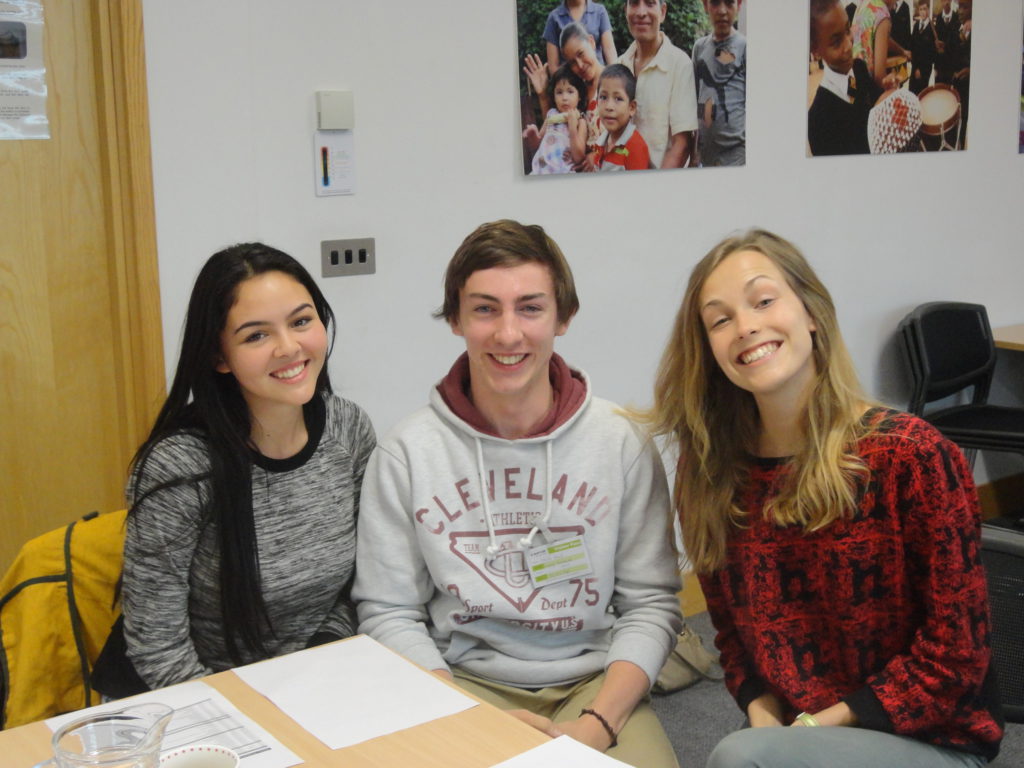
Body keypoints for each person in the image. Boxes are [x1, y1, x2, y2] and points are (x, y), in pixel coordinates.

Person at [640, 228, 1004, 767]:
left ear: (811, 313)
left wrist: (809, 728)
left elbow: (955, 657)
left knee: (738, 759)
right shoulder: (711, 472)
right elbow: (733, 639)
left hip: (930, 738)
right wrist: (762, 713)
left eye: (764, 300)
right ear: (709, 349)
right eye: (720, 319)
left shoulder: (911, 456)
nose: (746, 326)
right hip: (793, 736)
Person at [352, 220, 682, 768]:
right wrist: (463, 716)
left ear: (563, 317)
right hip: (460, 683)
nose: (508, 334)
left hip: (595, 684)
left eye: (530, 307)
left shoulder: (620, 442)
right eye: (485, 309)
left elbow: (651, 604)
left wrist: (600, 725)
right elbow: (388, 611)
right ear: (455, 319)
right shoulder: (407, 453)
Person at [121, 243, 376, 690]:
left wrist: (318, 670)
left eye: (301, 321)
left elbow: (362, 582)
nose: (289, 347)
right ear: (219, 357)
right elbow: (158, 648)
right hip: (195, 697)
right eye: (256, 336)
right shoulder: (181, 465)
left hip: (320, 681)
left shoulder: (348, 428)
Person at [617, 0, 698, 168]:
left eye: (649, 3)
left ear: (662, 11)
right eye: (634, 4)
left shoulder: (679, 64)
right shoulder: (619, 67)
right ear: (626, 11)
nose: (641, 12)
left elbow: (681, 145)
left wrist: (655, 187)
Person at [524, 22, 606, 170]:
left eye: (581, 53)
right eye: (572, 62)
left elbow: (625, 135)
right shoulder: (577, 89)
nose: (580, 65)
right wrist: (543, 94)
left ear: (591, 42)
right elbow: (554, 129)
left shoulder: (613, 83)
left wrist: (597, 154)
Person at [808, 0, 882, 156]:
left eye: (848, 30)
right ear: (816, 50)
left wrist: (886, 90)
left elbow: (876, 100)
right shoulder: (818, 120)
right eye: (836, 42)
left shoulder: (859, 68)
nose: (849, 45)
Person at [691, 0, 747, 166]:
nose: (722, 11)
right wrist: (694, 151)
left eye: (729, 3)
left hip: (737, 153)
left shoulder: (745, 47)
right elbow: (694, 99)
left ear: (739, 4)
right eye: (715, 3)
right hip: (706, 154)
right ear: (705, 5)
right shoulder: (699, 48)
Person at [531, 64, 589, 174]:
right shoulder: (551, 114)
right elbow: (538, 143)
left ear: (579, 96)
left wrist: (572, 128)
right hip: (541, 169)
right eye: (559, 92)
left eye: (570, 91)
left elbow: (578, 158)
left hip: (563, 170)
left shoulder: (580, 121)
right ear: (553, 96)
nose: (564, 98)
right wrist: (532, 135)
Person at [594, 64, 651, 170]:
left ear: (632, 108)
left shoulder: (635, 147)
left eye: (618, 99)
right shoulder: (600, 142)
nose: (609, 106)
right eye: (603, 97)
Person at [541, 1, 617, 75]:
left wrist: (613, 77)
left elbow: (609, 50)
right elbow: (553, 66)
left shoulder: (599, 11)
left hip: (598, 77)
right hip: (571, 81)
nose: (580, 65)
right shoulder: (554, 18)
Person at [852, 0, 906, 90]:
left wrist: (903, 51)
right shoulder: (882, 15)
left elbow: (882, 37)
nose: (895, 4)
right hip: (866, 88)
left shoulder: (865, 3)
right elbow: (879, 77)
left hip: (852, 80)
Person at [908, 0, 936, 94]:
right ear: (918, 11)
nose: (923, 12)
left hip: (925, 69)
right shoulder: (916, 26)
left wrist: (921, 69)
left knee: (922, 94)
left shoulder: (932, 29)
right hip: (915, 67)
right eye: (921, 9)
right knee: (912, 92)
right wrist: (915, 67)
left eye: (925, 9)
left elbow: (930, 53)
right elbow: (912, 47)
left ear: (928, 10)